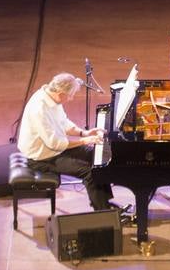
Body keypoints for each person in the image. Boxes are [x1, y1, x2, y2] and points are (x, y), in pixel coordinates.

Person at [17, 72, 116, 212]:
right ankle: (102, 212)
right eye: (70, 95)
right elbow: (55, 144)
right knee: (90, 172)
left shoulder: (52, 99)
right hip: (41, 157)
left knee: (97, 156)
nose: (71, 98)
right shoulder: (39, 109)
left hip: (54, 149)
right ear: (60, 93)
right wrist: (84, 141)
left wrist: (84, 133)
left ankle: (105, 203)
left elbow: (63, 122)